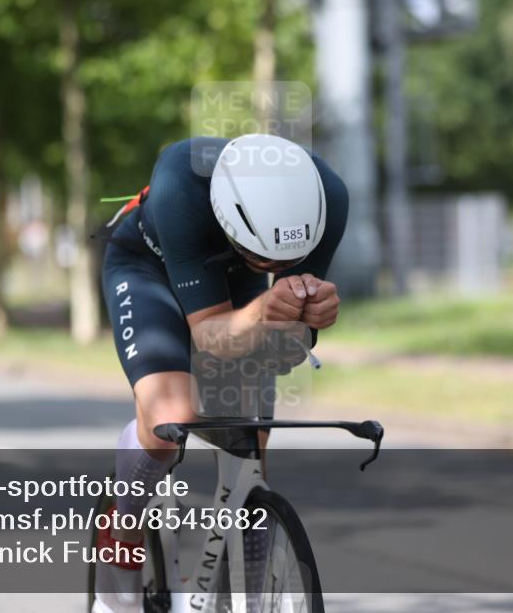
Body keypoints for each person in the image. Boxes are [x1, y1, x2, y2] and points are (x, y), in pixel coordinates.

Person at [93, 134, 348, 612]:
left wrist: (305, 325)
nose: (281, 270)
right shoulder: (179, 184)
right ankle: (120, 548)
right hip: (149, 268)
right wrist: (264, 314)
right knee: (170, 420)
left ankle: (246, 595)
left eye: (288, 263)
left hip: (236, 276)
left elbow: (287, 342)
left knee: (249, 440)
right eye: (269, 263)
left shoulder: (329, 195)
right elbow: (210, 335)